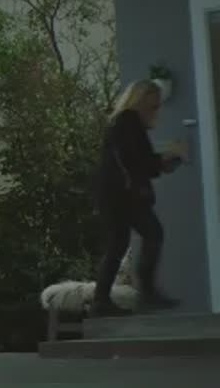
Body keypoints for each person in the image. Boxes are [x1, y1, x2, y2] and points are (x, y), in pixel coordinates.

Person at [92, 79, 187, 316]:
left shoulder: (125, 122)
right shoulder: (128, 120)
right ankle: (146, 293)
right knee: (152, 233)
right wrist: (164, 158)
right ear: (141, 100)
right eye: (153, 105)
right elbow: (135, 160)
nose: (156, 110)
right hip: (122, 194)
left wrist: (163, 162)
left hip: (114, 192)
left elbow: (139, 161)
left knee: (119, 244)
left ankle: (102, 301)